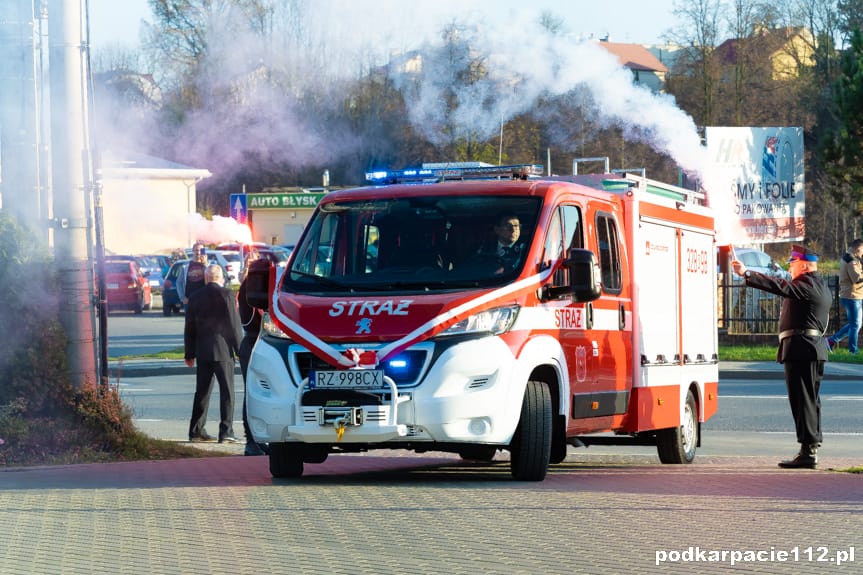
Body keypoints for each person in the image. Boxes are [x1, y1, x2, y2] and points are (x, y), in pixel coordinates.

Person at [732, 244, 832, 469]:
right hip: (807, 348)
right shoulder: (818, 285)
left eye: (793, 263)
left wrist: (747, 273)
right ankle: (810, 446)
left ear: (805, 265)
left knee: (803, 401)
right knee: (808, 401)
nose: (791, 268)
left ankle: (808, 451)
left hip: (802, 348)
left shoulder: (807, 285)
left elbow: (779, 285)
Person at [184, 264, 243, 443]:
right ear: (220, 278)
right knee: (227, 392)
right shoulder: (227, 295)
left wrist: (189, 353)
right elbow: (234, 325)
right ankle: (226, 431)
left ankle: (196, 430)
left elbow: (189, 328)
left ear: (207, 278)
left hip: (203, 351)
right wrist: (240, 350)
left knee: (202, 392)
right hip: (223, 350)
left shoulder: (195, 297)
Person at [237, 251, 268, 456]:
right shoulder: (254, 289)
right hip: (257, 340)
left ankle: (255, 440)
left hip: (251, 341)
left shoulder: (245, 287)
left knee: (255, 392)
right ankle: (251, 441)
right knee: (254, 393)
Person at [826, 239, 863, 354]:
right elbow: (856, 279)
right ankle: (853, 351)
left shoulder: (851, 258)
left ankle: (831, 341)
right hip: (852, 296)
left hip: (854, 295)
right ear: (858, 248)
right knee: (855, 325)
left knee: (856, 324)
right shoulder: (851, 260)